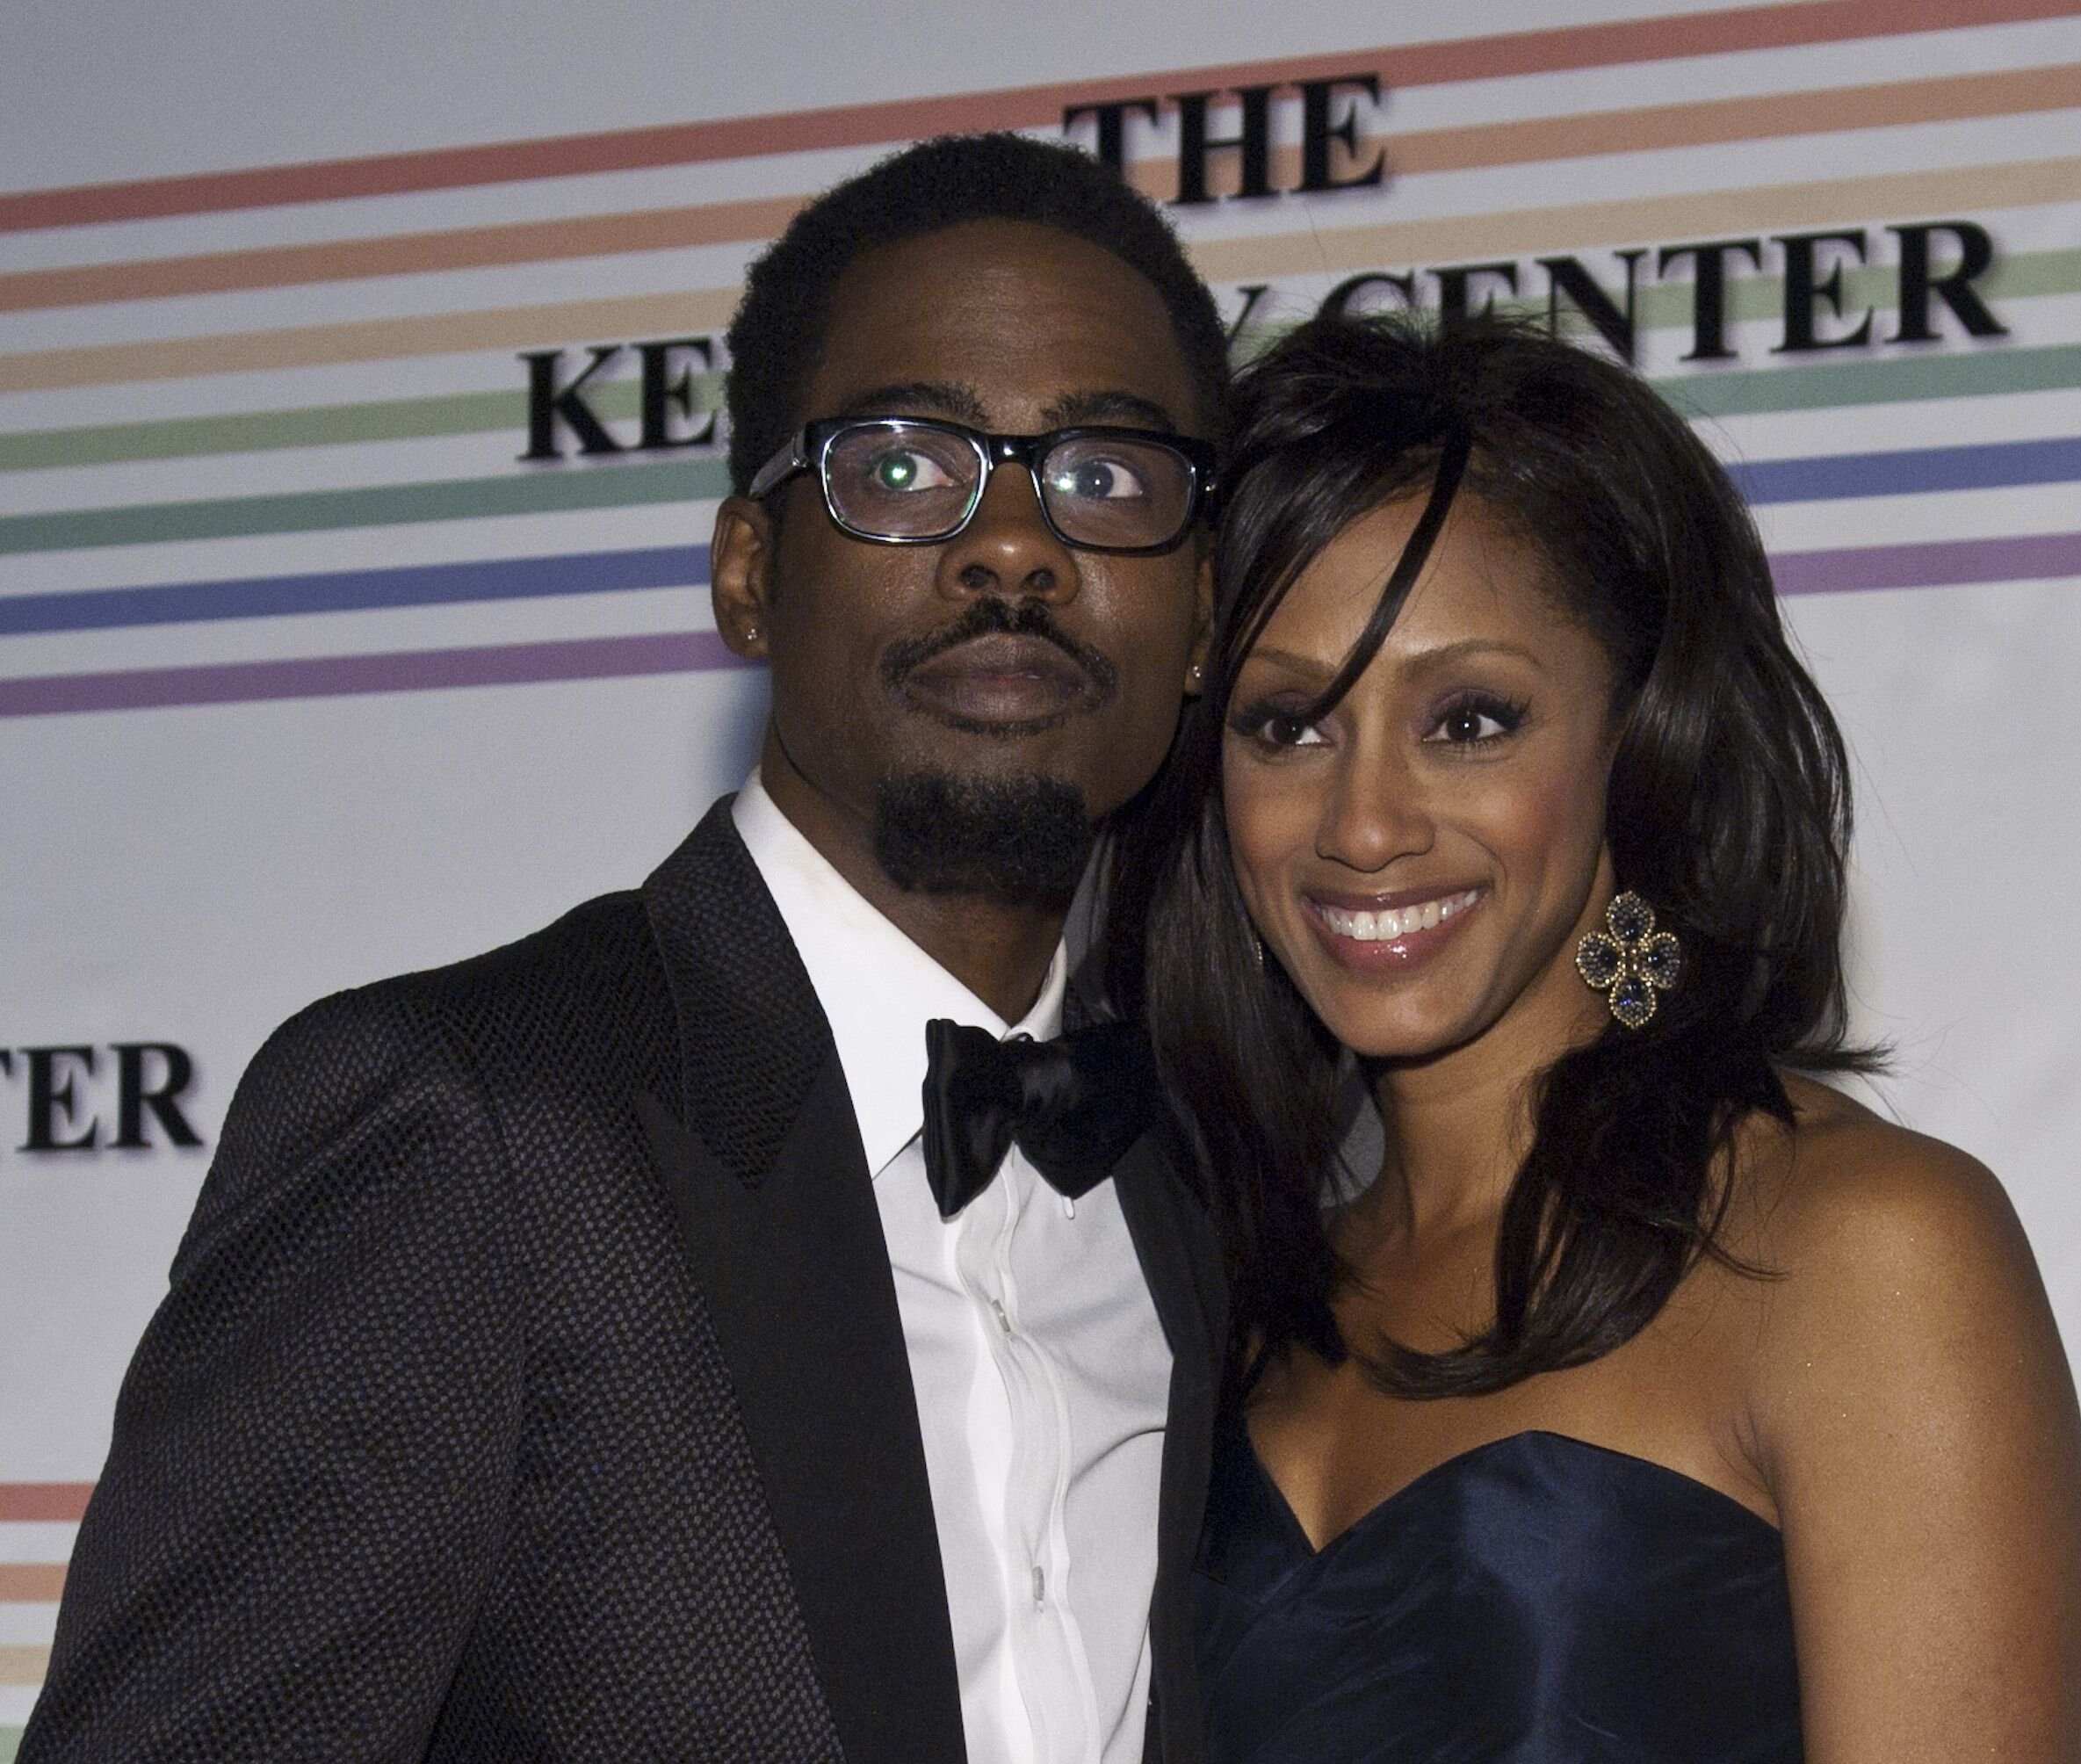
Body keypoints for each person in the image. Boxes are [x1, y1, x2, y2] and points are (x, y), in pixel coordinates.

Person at [28, 134, 1229, 1764]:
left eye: (1103, 476)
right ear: (750, 572)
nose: (1010, 545)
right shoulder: (467, 1131)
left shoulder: (1216, 1184)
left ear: (1206, 619)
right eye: (898, 466)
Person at [1106, 314, 2081, 1763]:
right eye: (1286, 726)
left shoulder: (1863, 1246)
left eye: (1470, 720)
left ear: (1641, 740)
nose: (1365, 824)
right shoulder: (1209, 1295)